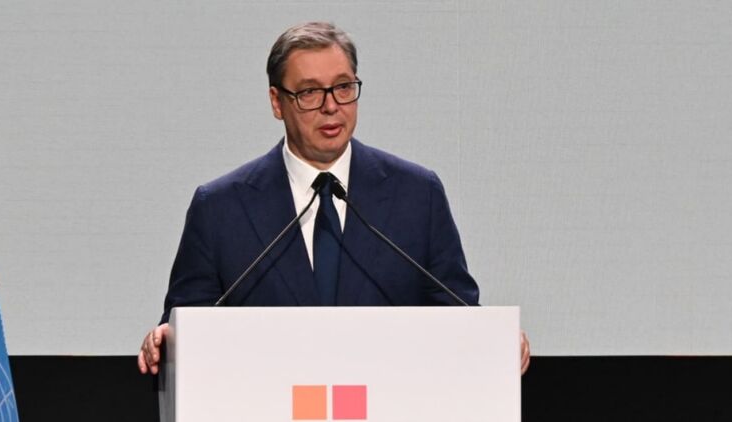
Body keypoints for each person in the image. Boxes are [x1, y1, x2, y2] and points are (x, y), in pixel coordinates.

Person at [138, 22, 530, 376]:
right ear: (277, 102)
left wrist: (492, 340)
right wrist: (166, 341)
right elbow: (186, 326)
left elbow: (457, 313)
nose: (331, 106)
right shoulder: (220, 208)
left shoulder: (417, 194)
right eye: (310, 92)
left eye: (343, 87)